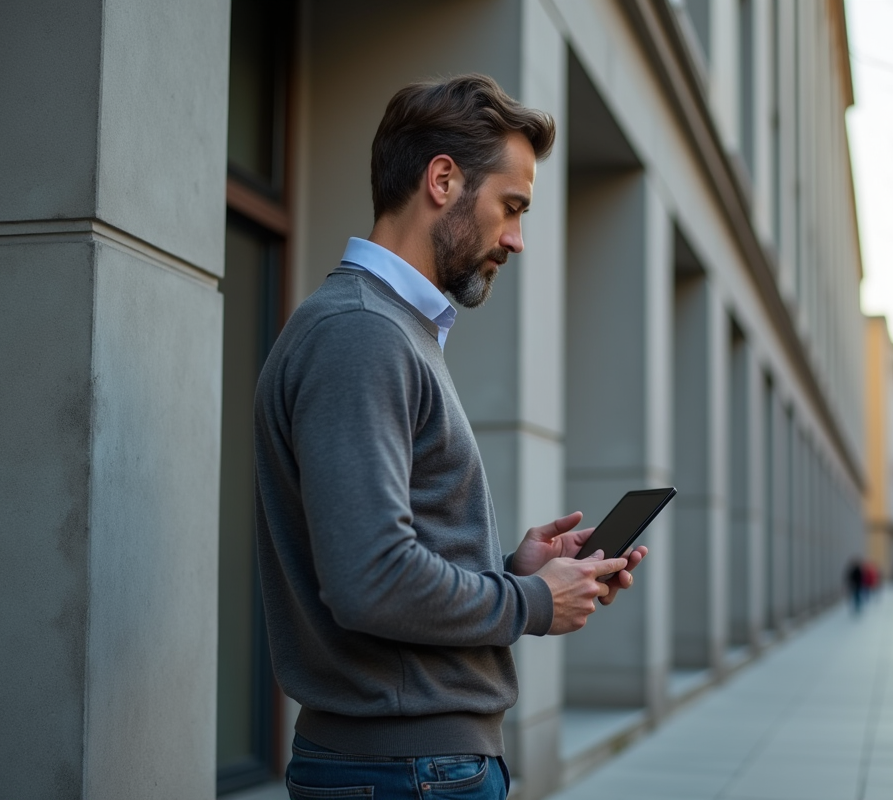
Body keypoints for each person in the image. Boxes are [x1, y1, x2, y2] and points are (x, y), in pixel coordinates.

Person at [253, 74, 647, 800]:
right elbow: (370, 582)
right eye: (512, 208)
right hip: (409, 772)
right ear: (442, 180)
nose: (517, 240)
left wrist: (517, 572)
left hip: (411, 765)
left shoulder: (384, 330)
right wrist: (530, 603)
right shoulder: (362, 336)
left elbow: (381, 562)